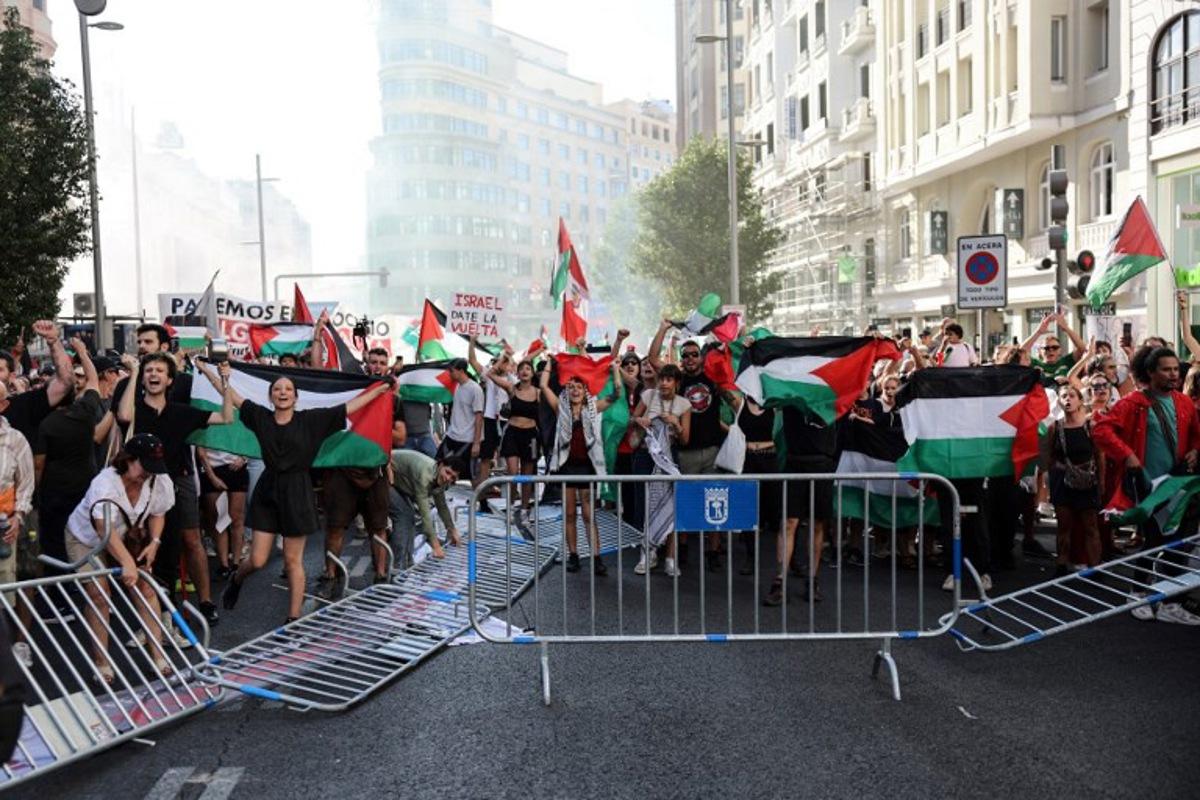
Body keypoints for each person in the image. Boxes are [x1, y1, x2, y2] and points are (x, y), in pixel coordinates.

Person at [220, 372, 394, 622]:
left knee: (293, 561)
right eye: (277, 389)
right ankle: (237, 579)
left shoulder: (312, 420)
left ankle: (293, 619)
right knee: (257, 560)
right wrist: (213, 373)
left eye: (288, 389)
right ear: (271, 396)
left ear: (296, 397)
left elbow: (348, 407)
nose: (282, 392)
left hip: (297, 491)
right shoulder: (260, 417)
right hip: (268, 491)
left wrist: (378, 390)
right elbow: (233, 397)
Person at [117, 353, 233, 626]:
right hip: (136, 491)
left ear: (170, 380)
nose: (153, 374)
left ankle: (169, 616)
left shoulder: (180, 412)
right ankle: (147, 619)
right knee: (140, 553)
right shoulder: (135, 409)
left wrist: (225, 382)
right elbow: (123, 415)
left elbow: (227, 417)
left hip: (169, 492)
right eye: (149, 371)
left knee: (169, 551)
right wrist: (134, 372)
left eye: (159, 371)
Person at [1093, 347, 1200, 624]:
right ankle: (1137, 593)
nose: (1173, 374)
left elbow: (1197, 435)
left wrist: (1195, 451)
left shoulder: (1184, 402)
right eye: (1166, 369)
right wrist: (1127, 455)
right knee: (1152, 541)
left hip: (1178, 485)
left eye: (1176, 369)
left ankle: (1169, 602)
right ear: (1150, 373)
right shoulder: (1133, 402)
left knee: (1178, 545)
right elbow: (1101, 429)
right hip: (1148, 486)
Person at [64, 434, 175, 683]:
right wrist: (127, 563)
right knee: (99, 592)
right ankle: (102, 664)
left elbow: (158, 512)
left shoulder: (158, 479)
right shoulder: (105, 484)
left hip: (127, 534)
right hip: (86, 537)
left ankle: (158, 658)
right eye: (144, 466)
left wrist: (155, 543)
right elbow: (104, 530)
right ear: (128, 460)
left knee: (146, 586)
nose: (148, 473)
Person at [319, 345, 405, 595]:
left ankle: (380, 575)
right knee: (335, 527)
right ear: (366, 364)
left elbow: (400, 436)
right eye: (373, 362)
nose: (377, 366)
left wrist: (370, 429)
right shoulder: (348, 393)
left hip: (375, 472)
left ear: (387, 366)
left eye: (381, 362)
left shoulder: (395, 400)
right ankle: (329, 574)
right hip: (343, 471)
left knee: (378, 527)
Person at [649, 321, 727, 570]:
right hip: (686, 451)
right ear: (682, 359)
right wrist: (663, 328)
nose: (691, 358)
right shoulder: (678, 380)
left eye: (695, 354)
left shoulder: (713, 378)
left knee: (714, 500)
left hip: (714, 450)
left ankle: (713, 552)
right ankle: (682, 550)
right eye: (687, 355)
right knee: (686, 501)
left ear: (702, 357)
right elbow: (652, 359)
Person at [539, 357, 621, 575]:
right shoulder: (560, 408)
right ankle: (573, 555)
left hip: (586, 467)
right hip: (566, 466)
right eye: (571, 386)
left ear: (585, 389)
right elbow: (543, 385)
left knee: (588, 514)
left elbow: (617, 394)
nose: (575, 390)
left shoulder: (593, 408)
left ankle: (596, 557)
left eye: (579, 386)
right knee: (569, 514)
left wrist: (615, 370)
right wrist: (550, 363)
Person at [33, 338, 104, 573]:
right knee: (83, 536)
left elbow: (39, 463)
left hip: (55, 492)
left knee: (54, 541)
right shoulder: (85, 412)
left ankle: (58, 594)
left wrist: (36, 490)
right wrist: (83, 353)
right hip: (85, 486)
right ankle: (83, 583)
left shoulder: (45, 424)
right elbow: (94, 380)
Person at [630, 363, 691, 576]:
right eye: (662, 379)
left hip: (668, 458)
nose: (664, 383)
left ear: (676, 383)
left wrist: (676, 423)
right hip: (646, 456)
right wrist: (641, 420)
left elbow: (685, 439)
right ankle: (647, 554)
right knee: (645, 505)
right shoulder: (648, 396)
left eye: (669, 380)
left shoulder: (684, 404)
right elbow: (632, 420)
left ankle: (671, 559)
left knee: (671, 506)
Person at [1040, 385, 1102, 576]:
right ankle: (1061, 564)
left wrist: (1102, 482)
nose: (1068, 400)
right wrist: (1049, 482)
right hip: (1062, 481)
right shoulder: (1055, 428)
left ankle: (1095, 566)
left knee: (1090, 525)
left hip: (1088, 481)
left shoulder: (1090, 426)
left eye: (1072, 396)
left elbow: (1100, 456)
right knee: (1063, 525)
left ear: (1080, 400)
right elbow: (1048, 457)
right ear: (1059, 400)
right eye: (1064, 396)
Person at [0, 320, 73, 443]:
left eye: (0, 370)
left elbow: (65, 382)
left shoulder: (25, 404)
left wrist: (54, 341)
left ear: (12, 376)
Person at [488, 356, 540, 525]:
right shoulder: (512, 388)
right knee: (512, 473)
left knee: (527, 475)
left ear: (532, 374)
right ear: (517, 373)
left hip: (531, 435)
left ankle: (525, 510)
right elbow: (490, 374)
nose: (525, 371)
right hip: (512, 433)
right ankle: (510, 506)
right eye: (522, 369)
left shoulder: (538, 392)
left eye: (528, 369)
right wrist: (502, 361)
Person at [389, 449, 462, 564]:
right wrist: (435, 545)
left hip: (400, 480)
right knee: (403, 517)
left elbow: (442, 506)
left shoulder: (439, 476)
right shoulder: (425, 475)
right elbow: (425, 514)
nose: (448, 478)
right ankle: (398, 566)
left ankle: (406, 560)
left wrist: (452, 529)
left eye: (452, 477)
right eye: (447, 472)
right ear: (441, 465)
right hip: (385, 473)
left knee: (409, 516)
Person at [468, 340, 514, 513]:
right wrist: (472, 342)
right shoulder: (488, 377)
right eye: (500, 362)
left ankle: (511, 499)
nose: (502, 366)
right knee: (485, 460)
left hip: (507, 422)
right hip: (490, 420)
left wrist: (508, 357)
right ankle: (482, 499)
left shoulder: (512, 379)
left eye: (506, 363)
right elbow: (472, 361)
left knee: (510, 462)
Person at [0, 384, 34, 588]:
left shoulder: (15, 440)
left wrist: (18, 516)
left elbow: (26, 483)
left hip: (2, 529)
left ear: (3, 405)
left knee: (3, 595)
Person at [197, 446, 248, 581]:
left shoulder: (238, 423)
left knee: (236, 518)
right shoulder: (207, 424)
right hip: (212, 469)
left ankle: (236, 563)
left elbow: (249, 438)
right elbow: (200, 451)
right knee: (218, 518)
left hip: (237, 467)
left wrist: (243, 458)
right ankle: (224, 564)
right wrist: (212, 476)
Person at [437, 359, 484, 468]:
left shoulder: (475, 389)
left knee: (463, 473)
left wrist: (476, 443)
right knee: (439, 463)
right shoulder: (457, 386)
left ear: (461, 371)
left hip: (467, 439)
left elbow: (479, 416)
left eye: (452, 371)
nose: (450, 374)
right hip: (452, 434)